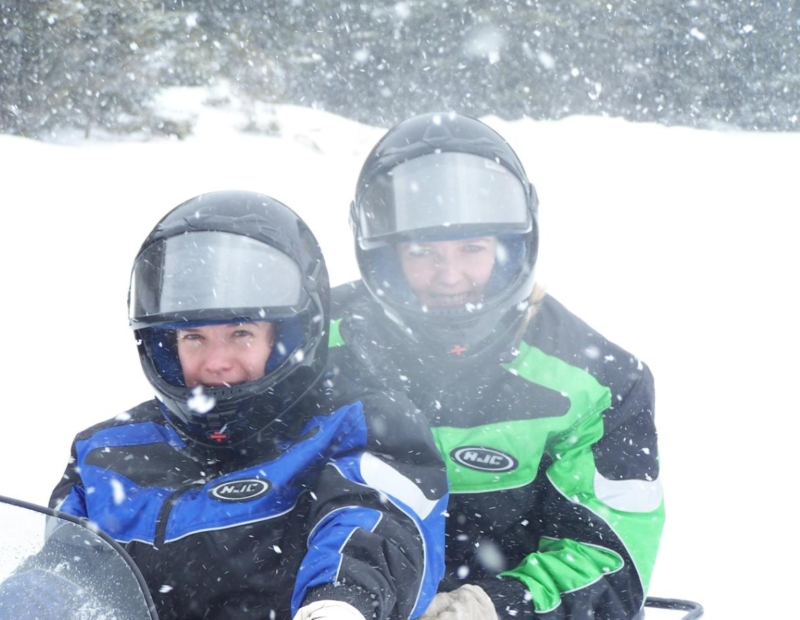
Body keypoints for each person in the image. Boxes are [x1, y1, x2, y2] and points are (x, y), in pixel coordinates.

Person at [48, 190, 449, 620]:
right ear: (165, 345)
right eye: (194, 338)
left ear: (284, 338)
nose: (216, 361)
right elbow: (61, 578)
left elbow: (374, 523)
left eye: (240, 333)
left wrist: (341, 601)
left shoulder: (359, 426)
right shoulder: (105, 456)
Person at [329, 113, 664, 620]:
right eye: (422, 252)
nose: (450, 276)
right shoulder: (313, 343)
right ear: (385, 255)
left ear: (509, 247)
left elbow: (612, 550)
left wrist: (490, 606)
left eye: (472, 249)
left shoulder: (599, 379)